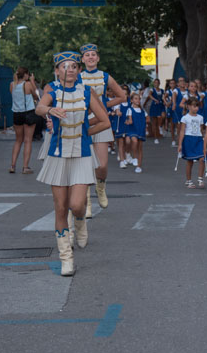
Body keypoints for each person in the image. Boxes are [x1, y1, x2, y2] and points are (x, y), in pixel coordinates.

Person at [35, 51, 111, 276]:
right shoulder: (52, 91)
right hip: (57, 155)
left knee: (77, 205)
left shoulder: (87, 92)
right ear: (57, 71)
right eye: (64, 66)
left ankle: (79, 220)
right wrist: (49, 110)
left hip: (81, 154)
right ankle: (66, 258)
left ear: (78, 71)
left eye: (73, 66)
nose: (69, 69)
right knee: (60, 208)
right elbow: (39, 108)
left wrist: (86, 132)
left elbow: (104, 121)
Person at [78, 43, 127, 216]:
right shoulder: (78, 77)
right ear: (82, 59)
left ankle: (101, 185)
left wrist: (103, 105)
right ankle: (87, 200)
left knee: (102, 165)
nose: (90, 57)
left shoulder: (105, 76)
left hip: (102, 121)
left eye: (93, 55)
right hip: (83, 122)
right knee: (84, 164)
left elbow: (122, 96)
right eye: (87, 55)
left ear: (98, 58)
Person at [9, 67, 38, 171]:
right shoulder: (28, 84)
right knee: (28, 140)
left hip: (17, 113)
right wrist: (32, 81)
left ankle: (12, 165)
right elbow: (36, 95)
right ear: (25, 75)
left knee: (18, 140)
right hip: (28, 113)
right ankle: (25, 167)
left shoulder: (12, 84)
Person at [178, 97, 205, 188]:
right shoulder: (185, 118)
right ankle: (189, 180)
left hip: (198, 139)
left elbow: (201, 130)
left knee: (202, 158)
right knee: (190, 161)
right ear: (188, 106)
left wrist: (204, 138)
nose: (196, 108)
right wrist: (180, 144)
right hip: (189, 140)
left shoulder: (200, 117)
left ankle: (200, 178)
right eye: (194, 106)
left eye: (197, 106)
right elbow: (182, 131)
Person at [124, 91, 146, 173]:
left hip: (140, 130)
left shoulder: (142, 110)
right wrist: (129, 121)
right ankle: (135, 157)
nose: (137, 100)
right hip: (133, 130)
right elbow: (129, 119)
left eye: (139, 99)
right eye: (135, 99)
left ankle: (139, 166)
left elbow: (146, 118)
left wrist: (145, 124)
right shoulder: (130, 109)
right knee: (134, 140)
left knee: (140, 148)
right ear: (132, 100)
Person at [147, 79, 165, 144]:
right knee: (154, 122)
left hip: (161, 105)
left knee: (163, 116)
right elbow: (149, 95)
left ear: (159, 83)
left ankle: (160, 126)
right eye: (155, 82)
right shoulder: (152, 89)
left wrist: (165, 101)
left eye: (157, 82)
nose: (156, 84)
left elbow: (164, 97)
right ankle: (156, 138)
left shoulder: (162, 90)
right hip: (155, 105)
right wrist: (155, 100)